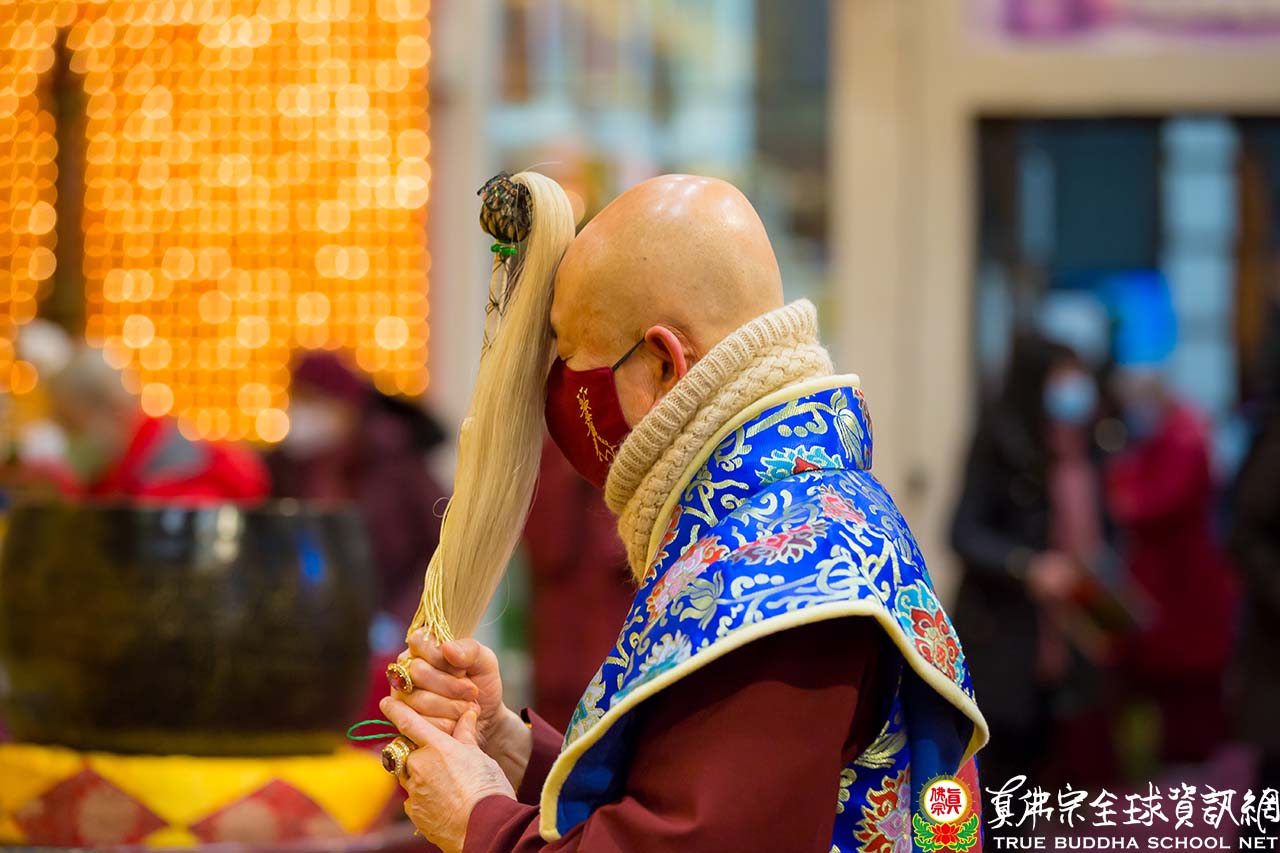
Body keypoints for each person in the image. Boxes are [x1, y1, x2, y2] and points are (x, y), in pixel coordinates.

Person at [376, 173, 987, 852]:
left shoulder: (784, 579)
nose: (561, 398)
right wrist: (511, 747)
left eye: (572, 360)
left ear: (663, 365)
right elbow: (686, 798)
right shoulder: (816, 515)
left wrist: (479, 820)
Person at [950, 334, 1115, 806]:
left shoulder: (1083, 446)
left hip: (1065, 641)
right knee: (993, 783)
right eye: (1061, 377)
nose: (1072, 388)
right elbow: (963, 533)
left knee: (1035, 774)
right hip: (1004, 638)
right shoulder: (1002, 441)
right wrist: (1029, 568)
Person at [1105, 368, 1237, 765]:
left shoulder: (1183, 437)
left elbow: (1151, 504)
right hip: (1163, 580)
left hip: (1184, 581)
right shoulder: (1166, 435)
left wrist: (1119, 484)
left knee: (1186, 687)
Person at [268, 352, 448, 626]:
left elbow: (443, 545)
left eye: (314, 400)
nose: (301, 412)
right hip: (315, 630)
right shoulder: (286, 469)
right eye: (298, 399)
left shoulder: (396, 460)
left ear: (346, 407)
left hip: (396, 630)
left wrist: (403, 619)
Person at [42, 346, 268, 502]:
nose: (69, 439)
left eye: (73, 426)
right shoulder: (119, 471)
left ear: (111, 409)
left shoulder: (181, 473)